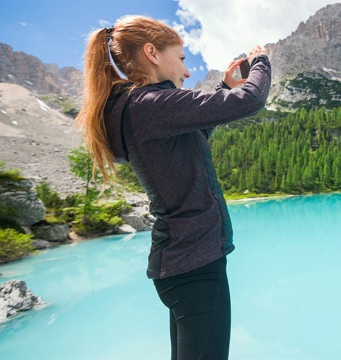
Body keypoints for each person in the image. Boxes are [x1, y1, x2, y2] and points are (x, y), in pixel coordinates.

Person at [76, 15, 271, 359]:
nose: (186, 69)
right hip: (195, 264)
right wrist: (261, 61)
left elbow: (192, 139)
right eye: (181, 58)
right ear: (152, 52)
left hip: (181, 263)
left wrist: (224, 88)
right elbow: (251, 101)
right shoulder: (150, 104)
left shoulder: (139, 108)